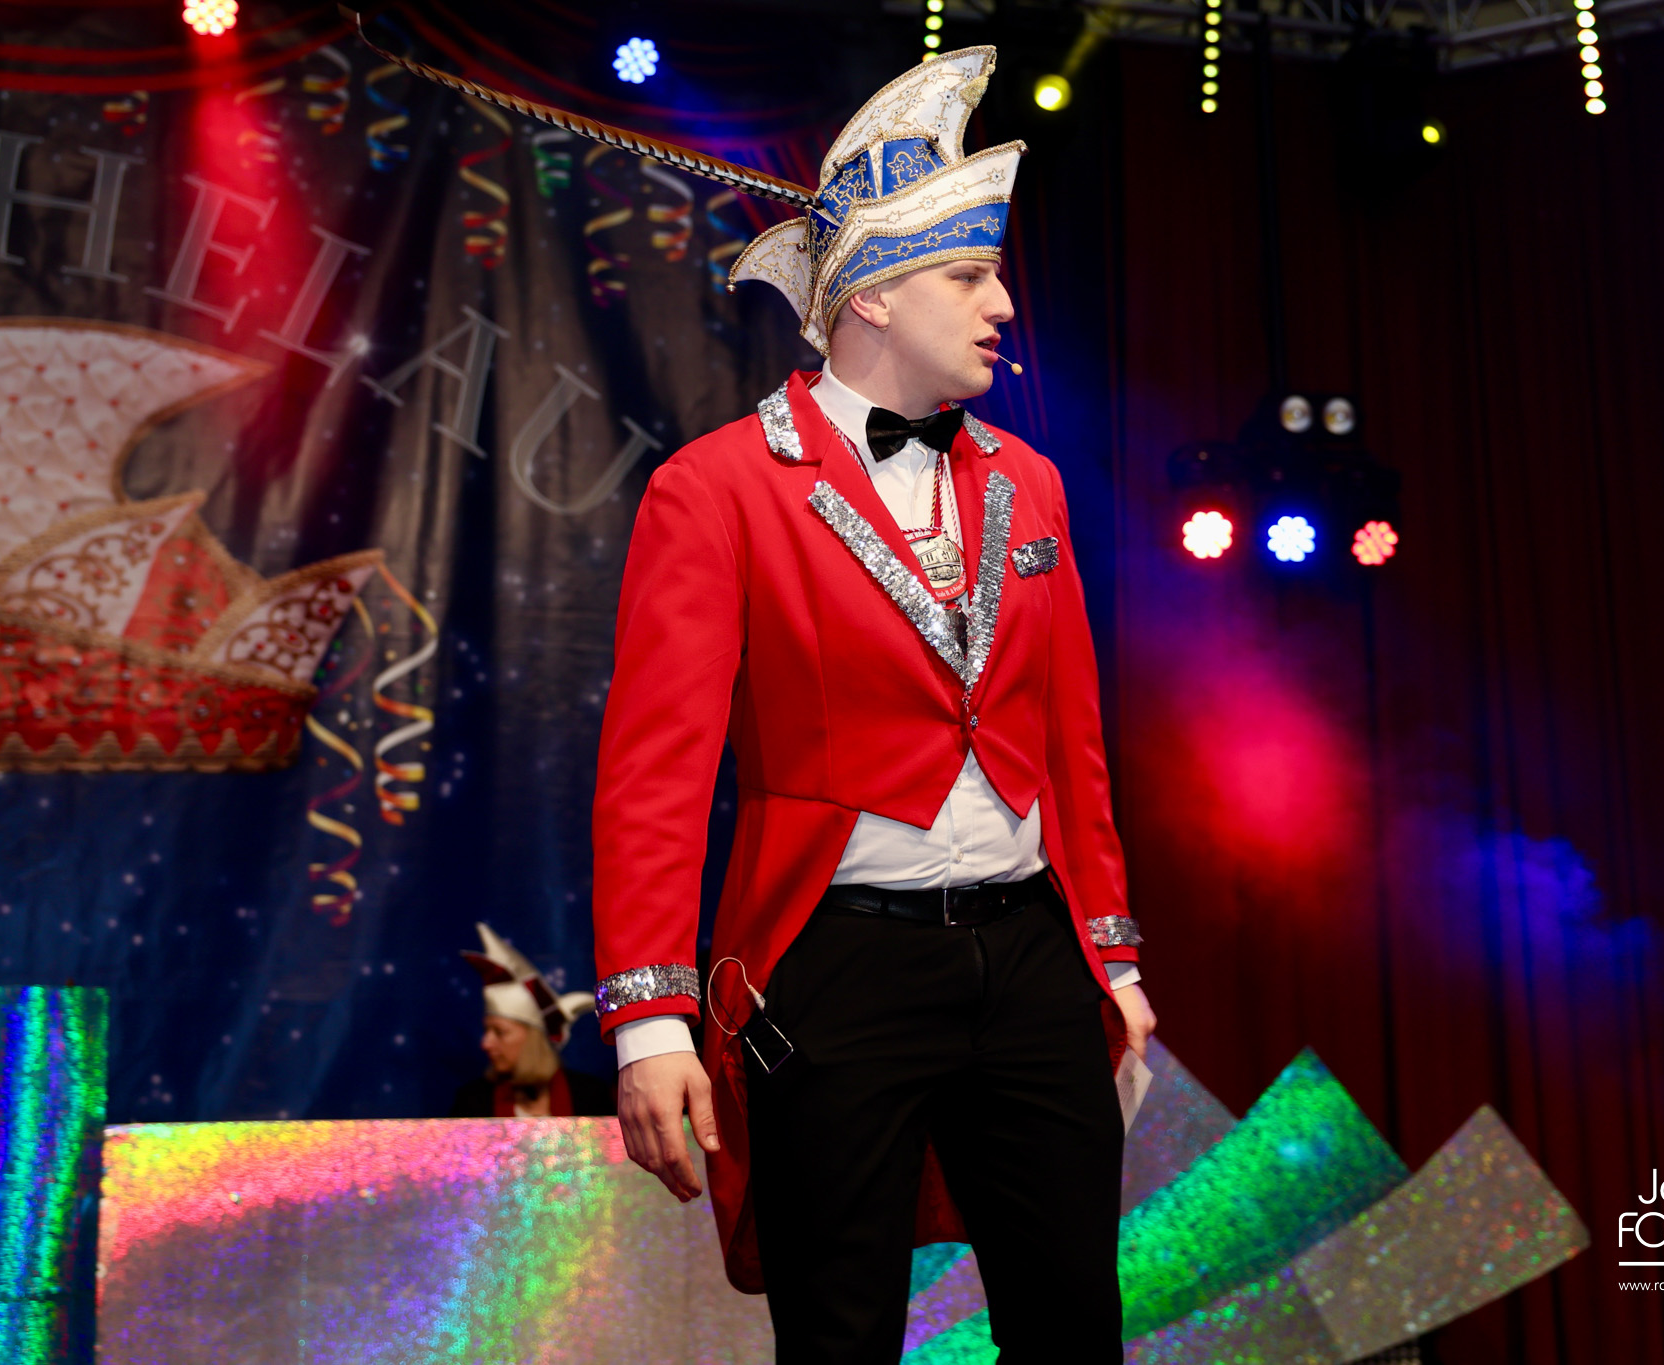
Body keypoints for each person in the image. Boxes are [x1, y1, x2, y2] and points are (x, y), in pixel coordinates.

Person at [591, 47, 1153, 1363]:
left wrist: (1113, 963)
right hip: (835, 966)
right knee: (839, 1332)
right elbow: (655, 774)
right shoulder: (717, 489)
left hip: (1031, 956)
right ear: (876, 295)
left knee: (1076, 1324)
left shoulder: (1031, 480)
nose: (1001, 304)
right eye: (969, 276)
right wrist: (648, 1019)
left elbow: (1071, 744)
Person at [451, 922, 613, 1118]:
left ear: (533, 1038)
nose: (485, 1043)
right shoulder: (473, 1102)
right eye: (487, 1031)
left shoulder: (589, 1096)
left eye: (499, 1032)